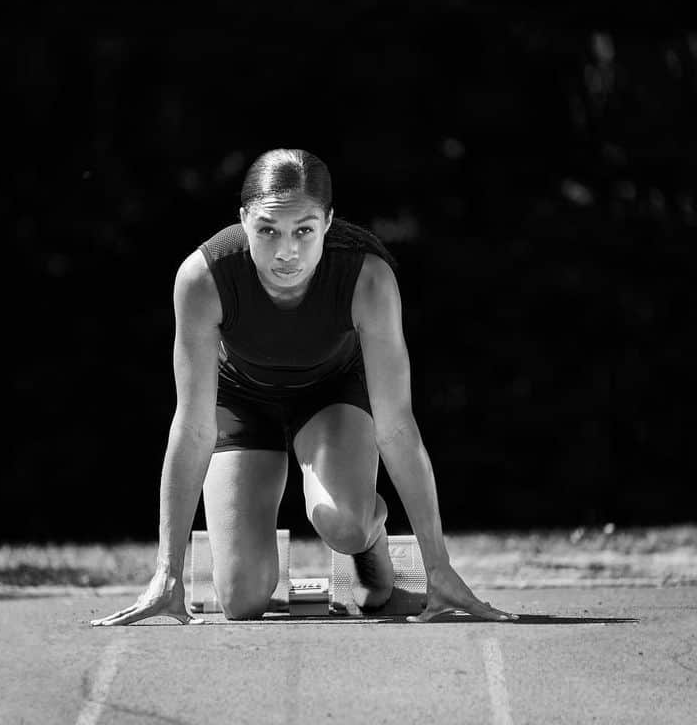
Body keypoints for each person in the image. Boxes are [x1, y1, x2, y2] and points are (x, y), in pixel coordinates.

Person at [93, 148, 515, 626]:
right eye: (268, 230)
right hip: (241, 402)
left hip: (331, 395)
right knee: (242, 600)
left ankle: (367, 545)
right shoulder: (202, 277)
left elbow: (397, 427)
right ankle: (253, 549)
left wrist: (438, 566)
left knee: (345, 523)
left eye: (304, 231)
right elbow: (191, 427)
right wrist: (167, 574)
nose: (286, 251)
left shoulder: (367, 278)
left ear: (329, 223)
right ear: (244, 220)